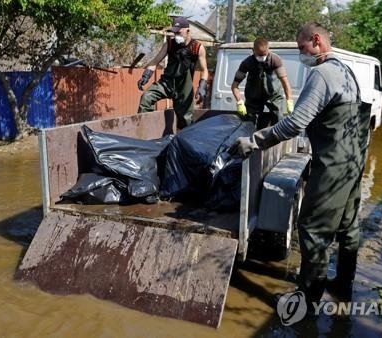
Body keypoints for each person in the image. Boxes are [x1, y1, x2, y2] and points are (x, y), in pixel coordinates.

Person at [232, 23, 370, 311]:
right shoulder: (346, 73)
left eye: (301, 47)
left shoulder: (321, 73)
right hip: (353, 164)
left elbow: (296, 123)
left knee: (313, 228)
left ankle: (308, 300)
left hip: (332, 166)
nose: (300, 53)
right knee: (347, 227)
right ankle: (343, 286)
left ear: (316, 40)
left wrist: (255, 141)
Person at [137, 16, 209, 129]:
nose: (176, 35)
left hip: (184, 87)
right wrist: (146, 75)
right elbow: (155, 61)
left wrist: (202, 86)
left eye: (179, 32)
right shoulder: (169, 44)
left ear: (188, 30)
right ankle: (145, 130)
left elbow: (205, 70)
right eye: (174, 33)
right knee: (146, 98)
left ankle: (185, 141)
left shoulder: (197, 47)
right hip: (167, 82)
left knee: (186, 119)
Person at [231, 38, 294, 129]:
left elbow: (285, 82)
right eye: (259, 55)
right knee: (249, 123)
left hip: (273, 96)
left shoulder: (275, 60)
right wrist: (239, 102)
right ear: (253, 51)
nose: (262, 58)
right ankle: (249, 140)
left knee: (279, 120)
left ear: (268, 50)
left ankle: (277, 141)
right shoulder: (247, 63)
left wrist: (289, 100)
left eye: (264, 55)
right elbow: (234, 85)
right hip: (253, 97)